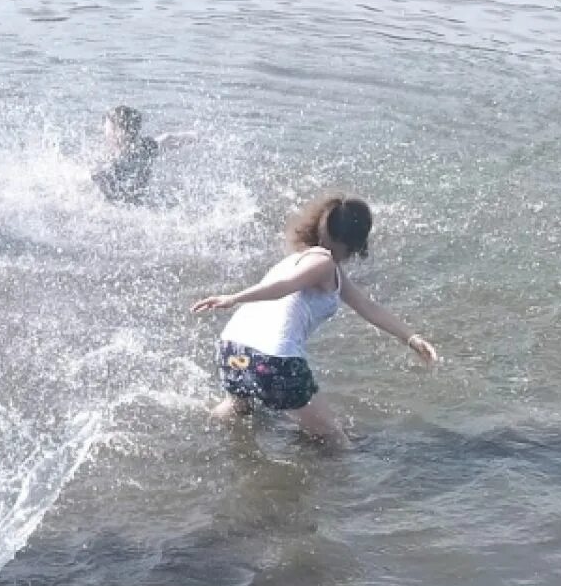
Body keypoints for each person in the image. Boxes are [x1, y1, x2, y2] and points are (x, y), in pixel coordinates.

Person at [191, 195, 438, 447]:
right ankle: (340, 485)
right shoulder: (323, 263)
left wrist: (412, 338)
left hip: (233, 349)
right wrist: (233, 298)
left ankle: (197, 445)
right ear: (357, 241)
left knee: (238, 410)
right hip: (274, 359)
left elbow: (367, 306)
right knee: (336, 441)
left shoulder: (305, 261)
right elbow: (285, 287)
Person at [91, 105, 192, 205]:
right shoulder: (146, 148)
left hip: (120, 207)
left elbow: (90, 181)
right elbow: (168, 139)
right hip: (143, 201)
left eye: (108, 128)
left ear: (119, 132)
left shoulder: (109, 165)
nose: (104, 130)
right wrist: (198, 136)